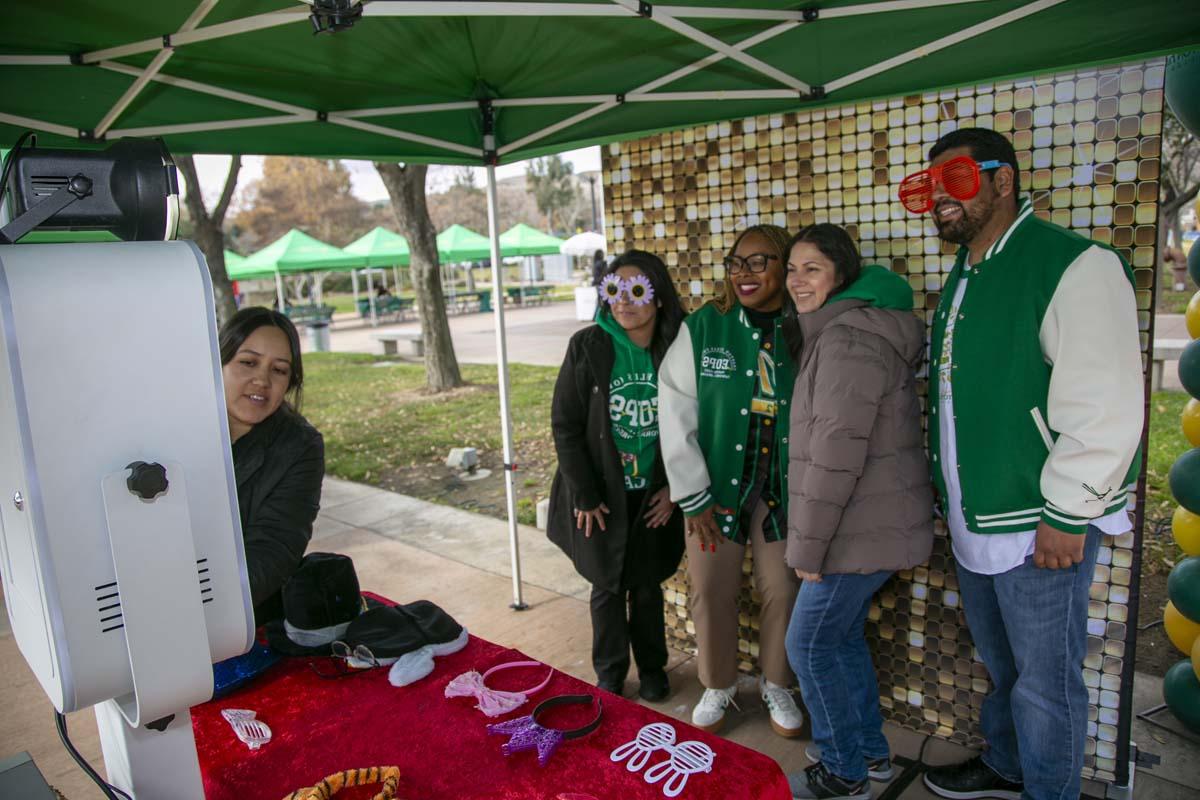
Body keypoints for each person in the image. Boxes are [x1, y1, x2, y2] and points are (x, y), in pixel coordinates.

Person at [914, 129, 1142, 800]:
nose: (940, 200)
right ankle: (1011, 765)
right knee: (1006, 666)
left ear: (1003, 181)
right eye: (931, 188)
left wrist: (1069, 512)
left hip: (1039, 519)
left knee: (1046, 681)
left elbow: (1106, 404)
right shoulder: (964, 275)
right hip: (976, 513)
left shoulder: (1072, 263)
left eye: (955, 181)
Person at [778, 224, 934, 799]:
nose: (797, 281)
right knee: (838, 640)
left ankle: (844, 774)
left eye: (811, 268)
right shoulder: (844, 332)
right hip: (865, 523)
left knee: (809, 645)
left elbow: (836, 456)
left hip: (855, 529)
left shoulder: (848, 339)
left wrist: (807, 549)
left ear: (842, 276)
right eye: (792, 268)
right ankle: (869, 756)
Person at [659, 224, 806, 736]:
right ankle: (718, 683)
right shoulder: (705, 326)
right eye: (735, 263)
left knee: (783, 592)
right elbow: (675, 410)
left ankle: (777, 683)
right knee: (709, 590)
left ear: (784, 266)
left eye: (758, 262)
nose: (742, 274)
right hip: (716, 491)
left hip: (782, 493)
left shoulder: (806, 322)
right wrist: (692, 497)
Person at [547, 250, 686, 701]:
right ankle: (609, 671)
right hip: (601, 492)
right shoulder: (587, 346)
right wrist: (583, 494)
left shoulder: (676, 347)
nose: (624, 301)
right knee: (606, 585)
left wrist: (675, 489)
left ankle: (652, 669)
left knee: (646, 586)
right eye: (614, 290)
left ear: (659, 296)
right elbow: (565, 424)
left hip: (652, 493)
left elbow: (695, 422)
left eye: (637, 290)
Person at [219, 307, 325, 626]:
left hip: (243, 621)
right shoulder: (169, 426)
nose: (262, 379)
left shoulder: (299, 447)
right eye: (248, 362)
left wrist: (193, 605)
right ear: (216, 362)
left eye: (279, 370)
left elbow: (274, 552)